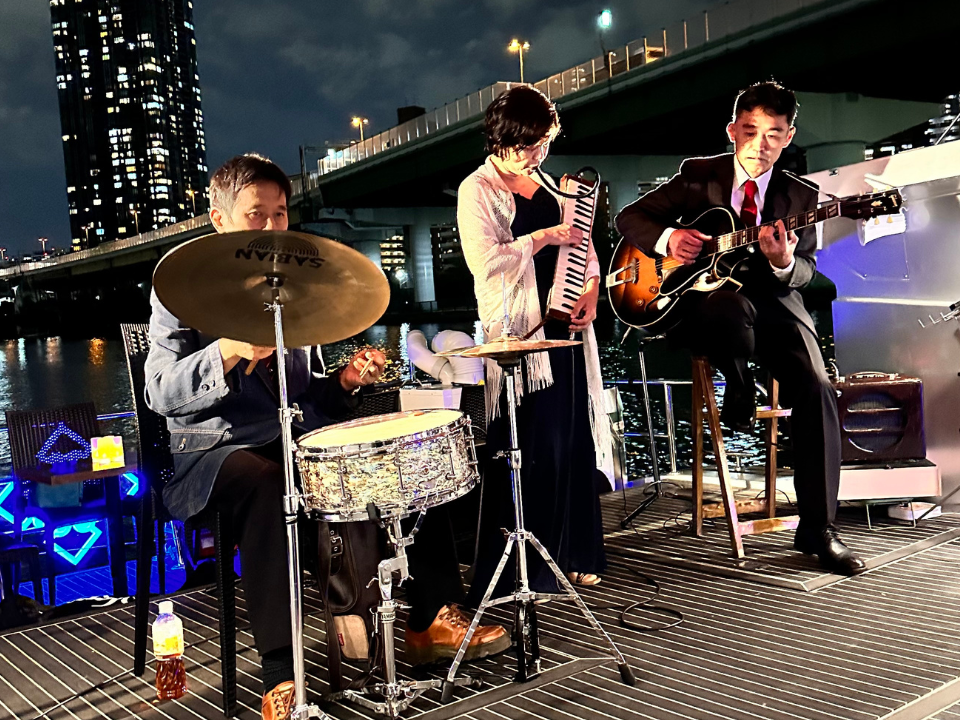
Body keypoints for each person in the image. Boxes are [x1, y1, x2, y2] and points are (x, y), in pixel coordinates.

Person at [145, 153, 508, 720]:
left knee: (401, 457)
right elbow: (160, 392)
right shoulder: (182, 288)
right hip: (216, 454)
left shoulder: (291, 287)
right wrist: (228, 351)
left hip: (292, 443)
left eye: (280, 213)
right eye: (256, 214)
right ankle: (281, 673)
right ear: (219, 219)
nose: (271, 227)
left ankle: (430, 619)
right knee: (269, 486)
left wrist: (344, 381)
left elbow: (305, 397)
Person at [615, 81, 865, 576]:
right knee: (728, 309)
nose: (760, 144)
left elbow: (807, 272)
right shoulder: (697, 177)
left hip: (773, 304)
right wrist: (670, 238)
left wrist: (783, 261)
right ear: (732, 130)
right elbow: (630, 218)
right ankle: (738, 378)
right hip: (707, 305)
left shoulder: (801, 196)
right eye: (750, 131)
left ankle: (819, 528)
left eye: (773, 134)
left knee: (817, 387)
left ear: (788, 137)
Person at [458, 85, 612, 605]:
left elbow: (583, 243)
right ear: (501, 138)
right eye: (528, 144)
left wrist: (591, 290)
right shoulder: (476, 189)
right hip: (519, 336)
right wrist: (543, 237)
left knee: (571, 441)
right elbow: (485, 263)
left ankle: (574, 554)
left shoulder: (547, 180)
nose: (537, 154)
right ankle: (525, 568)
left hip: (566, 326)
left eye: (545, 143)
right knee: (531, 446)